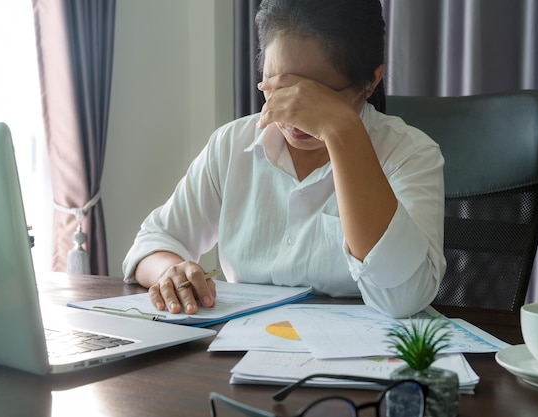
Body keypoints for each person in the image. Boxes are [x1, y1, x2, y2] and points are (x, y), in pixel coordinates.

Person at [122, 0, 445, 319]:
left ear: (371, 81)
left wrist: (343, 133)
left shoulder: (410, 154)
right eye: (279, 88)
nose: (294, 114)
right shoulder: (233, 145)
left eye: (317, 97)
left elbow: (404, 298)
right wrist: (171, 271)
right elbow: (153, 242)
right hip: (241, 351)